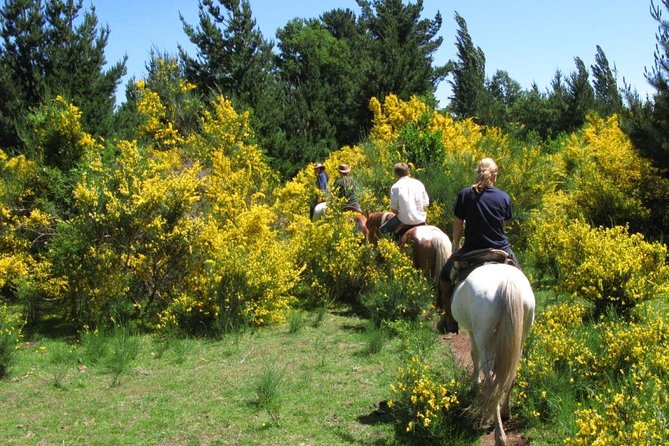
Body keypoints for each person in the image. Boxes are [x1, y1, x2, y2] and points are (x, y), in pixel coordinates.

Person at [437, 157, 516, 334]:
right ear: (495, 176)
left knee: (444, 277)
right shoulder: (504, 197)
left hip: (472, 249)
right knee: (520, 276)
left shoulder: (465, 194)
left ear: (478, 174)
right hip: (500, 248)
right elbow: (502, 227)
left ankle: (450, 320)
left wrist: (456, 244)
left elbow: (458, 224)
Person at [379, 162, 429, 241]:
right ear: (408, 172)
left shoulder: (395, 187)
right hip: (421, 219)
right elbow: (426, 203)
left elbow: (394, 210)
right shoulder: (419, 183)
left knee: (382, 231)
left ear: (396, 174)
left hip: (404, 220)